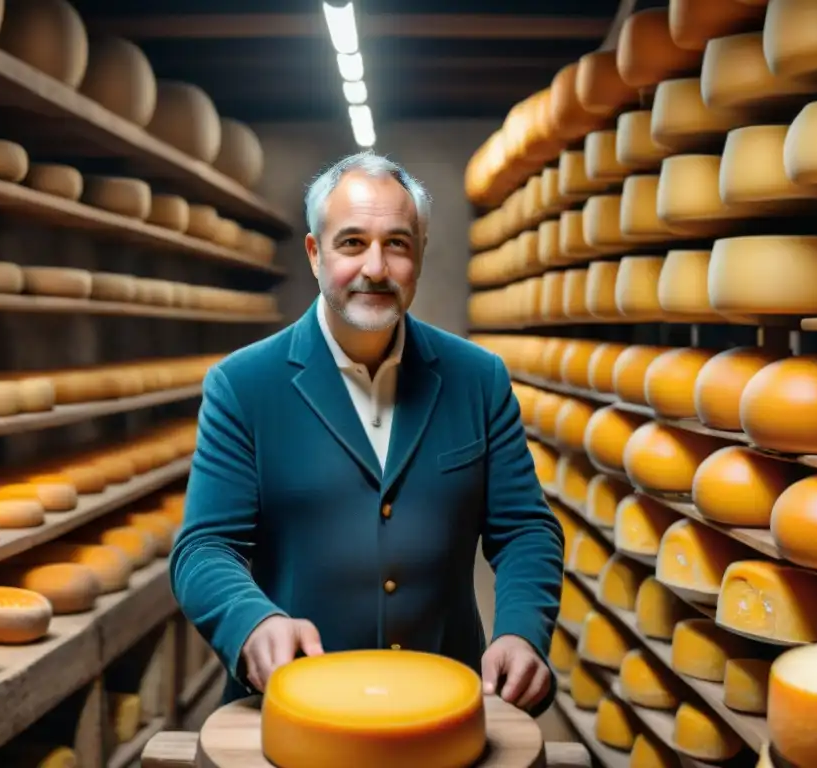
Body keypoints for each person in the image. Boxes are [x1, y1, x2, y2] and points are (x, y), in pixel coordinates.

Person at [170, 151, 565, 717]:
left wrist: (523, 631)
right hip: (297, 705)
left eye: (397, 243)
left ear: (421, 254)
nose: (375, 267)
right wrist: (250, 622)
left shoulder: (478, 379)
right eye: (352, 243)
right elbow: (205, 547)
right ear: (315, 253)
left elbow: (524, 528)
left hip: (445, 704)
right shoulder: (243, 385)